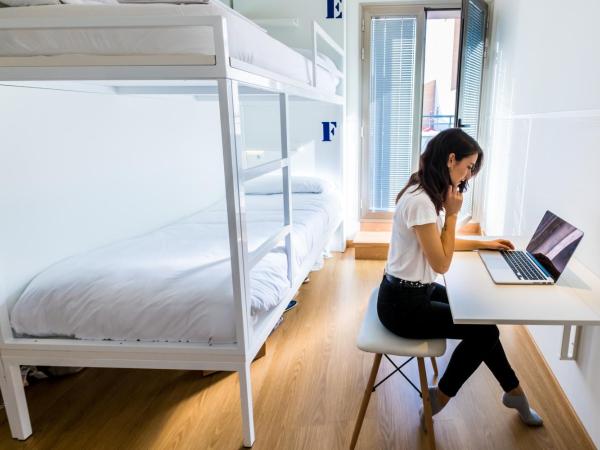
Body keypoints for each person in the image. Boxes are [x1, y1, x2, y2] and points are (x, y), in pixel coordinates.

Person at [377, 128, 543, 426]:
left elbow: (440, 243)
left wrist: (485, 243)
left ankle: (514, 393)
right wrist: (453, 216)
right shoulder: (420, 202)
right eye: (468, 167)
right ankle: (441, 397)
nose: (468, 176)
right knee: (485, 332)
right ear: (451, 159)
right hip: (402, 307)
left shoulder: (424, 188)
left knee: (483, 323)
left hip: (414, 291)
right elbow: (441, 263)